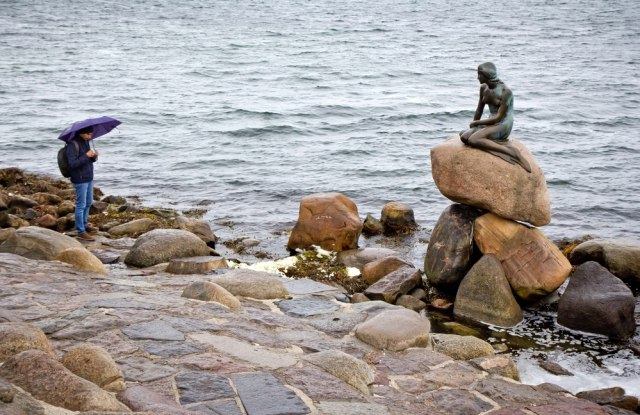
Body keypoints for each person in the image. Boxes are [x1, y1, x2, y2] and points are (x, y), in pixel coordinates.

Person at [459, 62, 531, 172]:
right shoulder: (483, 88)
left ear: (487, 75)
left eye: (479, 74)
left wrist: (477, 124)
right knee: (464, 137)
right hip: (491, 121)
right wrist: (473, 126)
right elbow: (479, 109)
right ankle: (488, 141)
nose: (477, 77)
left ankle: (512, 152)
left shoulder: (505, 91)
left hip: (503, 124)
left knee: (474, 139)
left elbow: (498, 117)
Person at [67, 126, 99, 240]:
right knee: (81, 205)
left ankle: (85, 225)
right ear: (82, 133)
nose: (91, 136)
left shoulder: (86, 142)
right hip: (79, 179)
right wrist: (86, 155)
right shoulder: (72, 145)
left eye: (91, 134)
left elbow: (89, 160)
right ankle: (81, 231)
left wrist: (94, 157)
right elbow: (73, 164)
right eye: (89, 134)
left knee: (89, 202)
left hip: (88, 177)